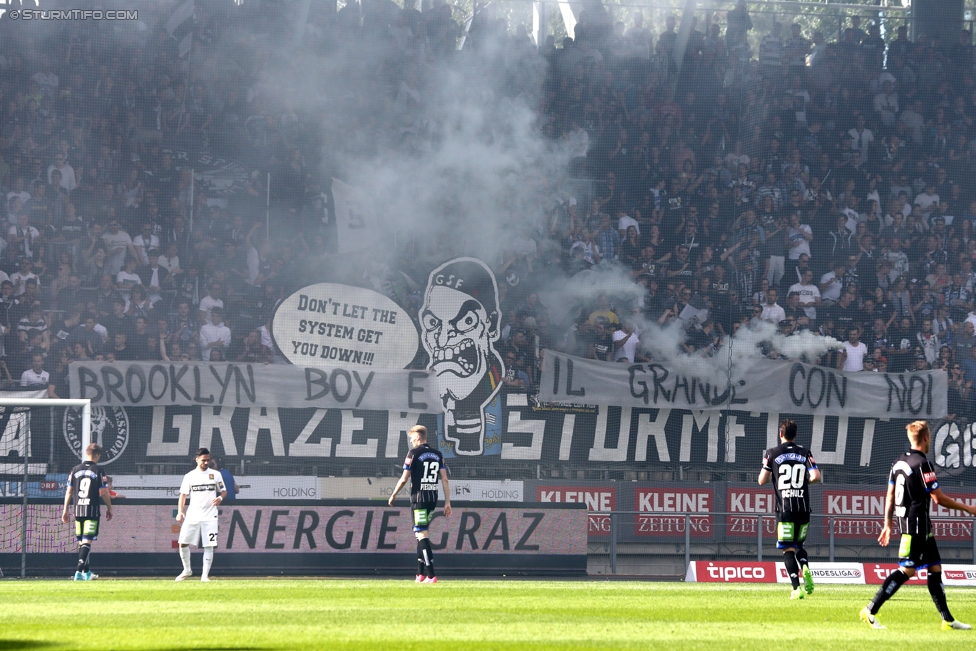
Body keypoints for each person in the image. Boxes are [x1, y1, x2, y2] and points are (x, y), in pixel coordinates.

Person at [860, 420, 976, 630]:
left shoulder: (897, 463)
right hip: (916, 526)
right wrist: (968, 508)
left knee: (934, 567)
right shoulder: (924, 464)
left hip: (915, 525)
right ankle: (870, 609)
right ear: (926, 438)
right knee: (907, 570)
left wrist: (887, 524)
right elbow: (938, 499)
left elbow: (889, 496)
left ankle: (947, 620)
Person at [758, 419, 821, 600]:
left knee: (787, 549)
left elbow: (762, 480)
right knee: (799, 545)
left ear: (780, 434)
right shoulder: (804, 452)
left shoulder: (772, 453)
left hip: (785, 509)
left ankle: (797, 588)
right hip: (803, 508)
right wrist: (803, 481)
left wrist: (776, 477)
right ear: (796, 435)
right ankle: (805, 565)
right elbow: (816, 476)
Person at [388, 425, 452, 584]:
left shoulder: (413, 453)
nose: (411, 441)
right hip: (432, 498)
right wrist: (448, 502)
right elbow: (444, 479)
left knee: (422, 534)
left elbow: (404, 478)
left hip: (419, 498)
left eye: (411, 438)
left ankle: (431, 575)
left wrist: (393, 494)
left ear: (417, 437)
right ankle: (420, 574)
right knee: (420, 533)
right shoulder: (438, 454)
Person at [61, 443, 113, 581]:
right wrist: (109, 507)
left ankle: (87, 572)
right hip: (91, 510)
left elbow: (69, 491)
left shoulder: (75, 469)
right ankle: (78, 572)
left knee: (82, 542)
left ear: (86, 453)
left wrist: (65, 510)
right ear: (97, 455)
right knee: (87, 541)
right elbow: (104, 492)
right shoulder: (98, 470)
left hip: (78, 510)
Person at [175, 447, 227, 582]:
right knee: (182, 543)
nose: (206, 463)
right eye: (203, 460)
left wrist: (220, 498)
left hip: (210, 516)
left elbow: (224, 491)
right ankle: (187, 570)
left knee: (209, 545)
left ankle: (204, 576)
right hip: (193, 515)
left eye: (208, 460)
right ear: (197, 460)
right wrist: (180, 511)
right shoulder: (189, 476)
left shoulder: (215, 474)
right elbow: (183, 495)